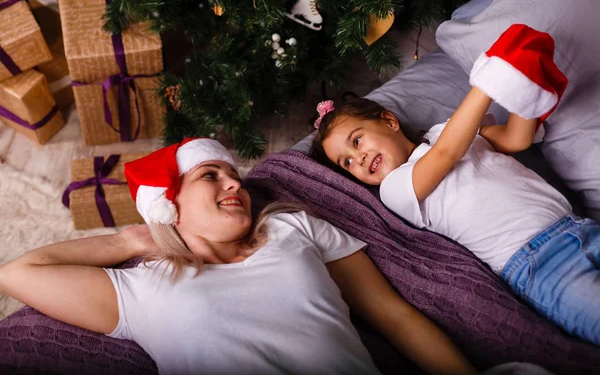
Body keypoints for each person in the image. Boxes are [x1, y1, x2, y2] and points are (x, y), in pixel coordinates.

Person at [0, 137, 477, 375]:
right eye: (211, 175)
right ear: (171, 203)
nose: (235, 184)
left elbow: (393, 317)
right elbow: (18, 273)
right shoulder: (142, 289)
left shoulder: (294, 227)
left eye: (235, 175)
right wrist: (131, 242)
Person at [311, 24, 600, 346]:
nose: (358, 158)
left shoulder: (446, 131)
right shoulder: (396, 189)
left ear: (389, 121)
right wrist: (490, 80)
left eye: (357, 141)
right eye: (346, 162)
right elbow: (447, 153)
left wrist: (526, 87)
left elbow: (517, 139)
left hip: (579, 228)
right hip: (538, 265)